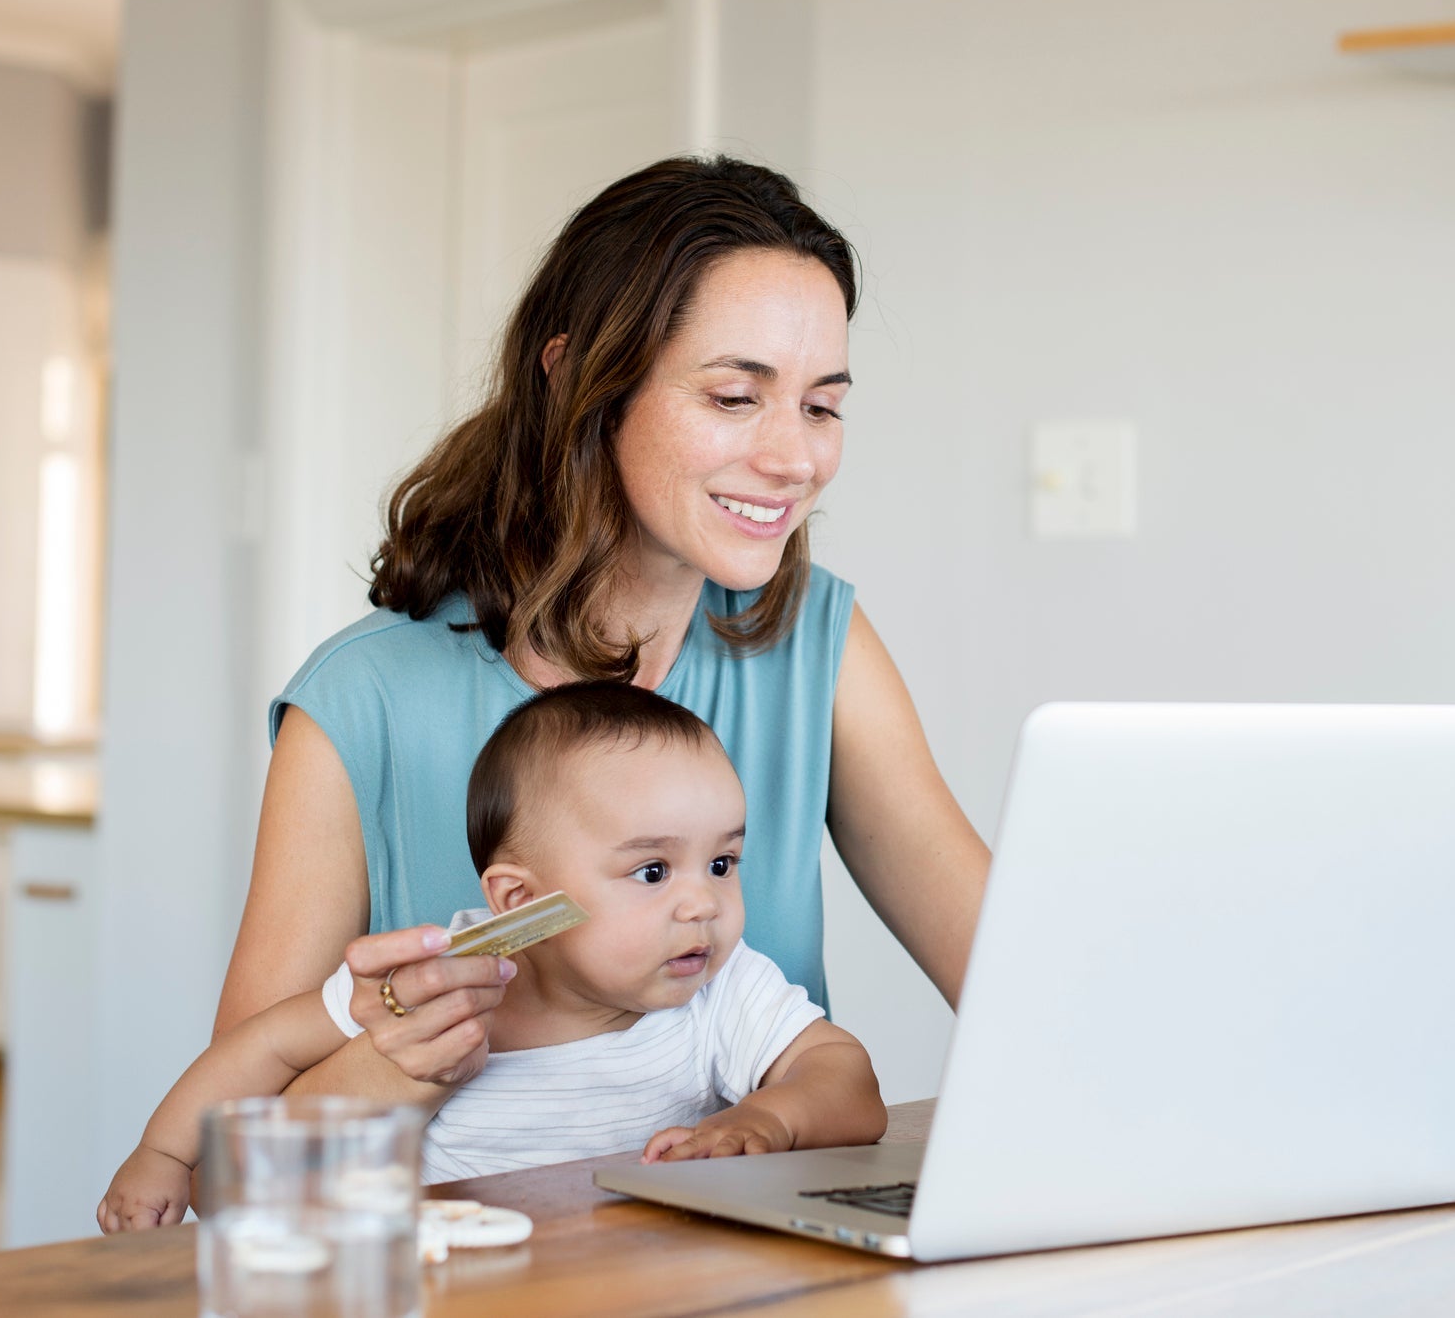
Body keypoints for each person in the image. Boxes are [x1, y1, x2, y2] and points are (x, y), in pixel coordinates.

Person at [217, 155, 990, 1105]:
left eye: (821, 406)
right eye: (733, 397)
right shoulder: (360, 703)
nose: (795, 458)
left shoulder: (813, 643)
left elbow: (1013, 977)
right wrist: (402, 1045)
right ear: (578, 379)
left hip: (757, 1207)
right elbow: (233, 1148)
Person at [99, 683, 887, 1230]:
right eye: (652, 871)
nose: (702, 903)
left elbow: (849, 1084)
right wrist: (163, 1150)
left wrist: (767, 1118)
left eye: (721, 863)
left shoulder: (719, 986)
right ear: (518, 900)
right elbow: (264, 1045)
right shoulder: (429, 980)